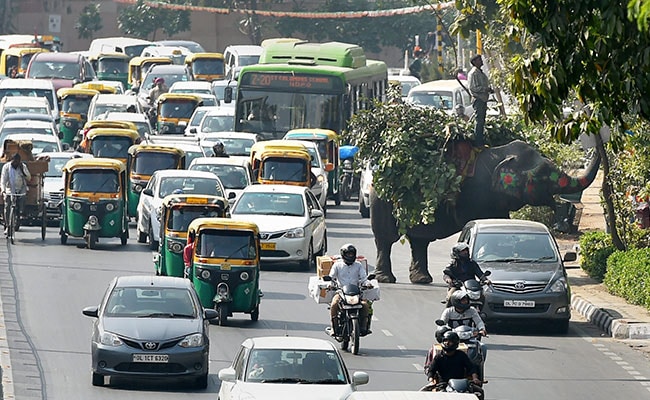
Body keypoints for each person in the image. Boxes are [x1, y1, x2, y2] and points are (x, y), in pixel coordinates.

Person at [328, 243, 373, 336]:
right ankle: (334, 327)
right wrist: (330, 285)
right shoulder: (337, 265)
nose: (350, 256)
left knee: (365, 305)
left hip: (356, 292)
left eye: (352, 254)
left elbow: (364, 278)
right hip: (341, 292)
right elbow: (331, 277)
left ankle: (364, 327)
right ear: (343, 254)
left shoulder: (358, 265)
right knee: (334, 305)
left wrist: (367, 284)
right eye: (348, 254)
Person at [425, 331, 483, 396]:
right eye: (445, 341)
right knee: (422, 394)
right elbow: (431, 371)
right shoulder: (438, 357)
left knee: (480, 392)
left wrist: (475, 378)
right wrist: (431, 380)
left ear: (455, 343)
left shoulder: (461, 355)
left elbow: (471, 368)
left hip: (461, 386)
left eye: (450, 341)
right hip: (443, 385)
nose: (447, 343)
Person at [440, 290, 488, 362]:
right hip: (453, 338)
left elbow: (479, 322)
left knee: (483, 347)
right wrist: (442, 330)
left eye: (466, 300)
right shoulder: (448, 311)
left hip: (469, 337)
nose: (466, 302)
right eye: (463, 300)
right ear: (456, 301)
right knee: (441, 350)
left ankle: (477, 368)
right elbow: (442, 324)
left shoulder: (472, 310)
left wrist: (482, 329)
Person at [1, 153, 32, 235]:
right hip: (10, 189)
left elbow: (29, 178)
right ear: (11, 160)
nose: (15, 163)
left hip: (21, 189)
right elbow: (3, 180)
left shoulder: (23, 166)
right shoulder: (6, 167)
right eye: (14, 161)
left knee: (23, 198)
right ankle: (7, 225)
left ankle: (20, 213)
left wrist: (23, 170)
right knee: (7, 206)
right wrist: (3, 190)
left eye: (17, 162)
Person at [467, 54, 492, 146]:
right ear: (474, 62)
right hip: (478, 99)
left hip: (483, 99)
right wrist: (484, 89)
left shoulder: (480, 72)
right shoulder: (473, 73)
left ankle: (480, 140)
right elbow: (473, 88)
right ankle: (478, 143)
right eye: (479, 60)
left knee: (482, 121)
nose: (481, 61)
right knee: (479, 121)